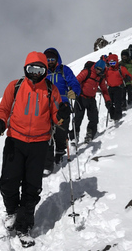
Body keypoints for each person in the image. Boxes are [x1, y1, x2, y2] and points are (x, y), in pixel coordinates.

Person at [0, 51, 71, 243]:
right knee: (8, 182)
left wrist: (62, 114)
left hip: (39, 143)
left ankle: (24, 227)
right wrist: (0, 121)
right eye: (31, 69)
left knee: (31, 187)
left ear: (44, 70)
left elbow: (55, 117)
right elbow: (4, 109)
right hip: (15, 141)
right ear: (25, 68)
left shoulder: (51, 90)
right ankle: (12, 211)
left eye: (39, 69)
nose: (35, 73)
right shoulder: (15, 86)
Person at [43, 47, 81, 175]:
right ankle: (47, 164)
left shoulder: (64, 70)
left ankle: (59, 153)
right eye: (47, 59)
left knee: (61, 132)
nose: (50, 61)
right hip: (46, 106)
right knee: (46, 133)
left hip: (62, 106)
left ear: (57, 59)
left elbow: (74, 83)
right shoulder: (43, 72)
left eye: (52, 59)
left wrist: (74, 91)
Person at [71, 59, 111, 143]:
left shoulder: (100, 77)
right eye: (97, 68)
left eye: (100, 69)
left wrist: (108, 100)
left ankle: (90, 134)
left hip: (91, 99)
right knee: (78, 118)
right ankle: (74, 136)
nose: (98, 70)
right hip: (80, 98)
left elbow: (104, 90)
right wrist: (73, 91)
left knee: (94, 118)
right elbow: (76, 81)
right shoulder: (87, 72)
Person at [105, 54, 132, 121]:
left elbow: (129, 75)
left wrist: (128, 78)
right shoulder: (107, 69)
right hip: (110, 88)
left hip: (119, 88)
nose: (112, 64)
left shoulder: (121, 68)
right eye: (110, 63)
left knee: (117, 102)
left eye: (113, 62)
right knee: (109, 103)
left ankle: (118, 116)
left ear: (116, 61)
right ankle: (112, 115)